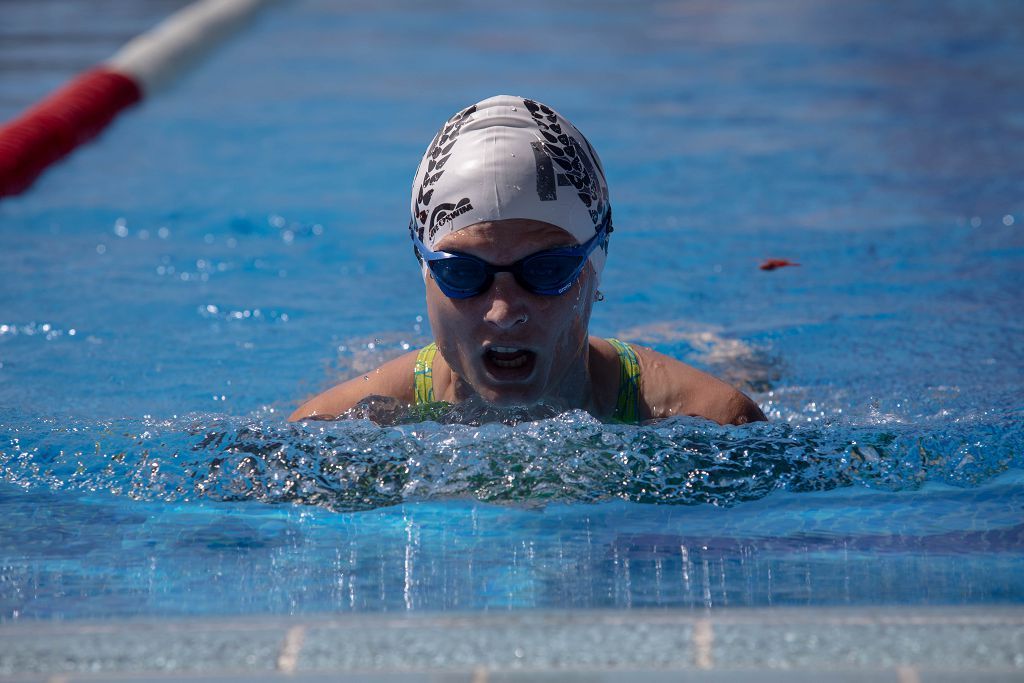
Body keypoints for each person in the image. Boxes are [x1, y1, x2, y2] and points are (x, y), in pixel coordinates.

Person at [290, 95, 765, 425]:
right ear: (425, 270)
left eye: (546, 271)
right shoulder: (338, 424)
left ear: (594, 267)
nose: (503, 311)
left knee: (744, 366)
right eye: (461, 272)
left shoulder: (711, 418)